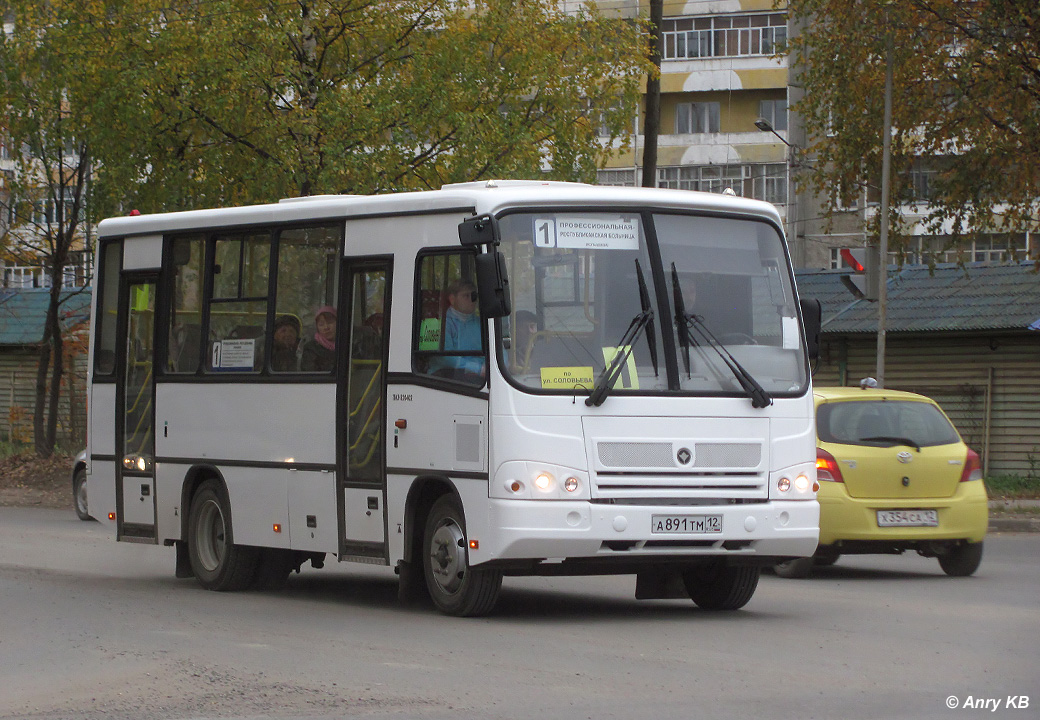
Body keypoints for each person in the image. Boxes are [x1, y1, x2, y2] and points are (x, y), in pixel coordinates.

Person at [432, 279, 484, 379]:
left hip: (480, 376)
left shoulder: (481, 323)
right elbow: (445, 358)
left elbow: (499, 349)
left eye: (473, 296)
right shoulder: (441, 323)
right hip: (446, 377)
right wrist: (477, 369)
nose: (471, 300)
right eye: (466, 296)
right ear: (452, 299)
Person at [301, 306, 337, 371]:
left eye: (330, 322)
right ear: (317, 328)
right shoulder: (311, 348)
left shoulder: (348, 344)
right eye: (321, 324)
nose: (326, 327)